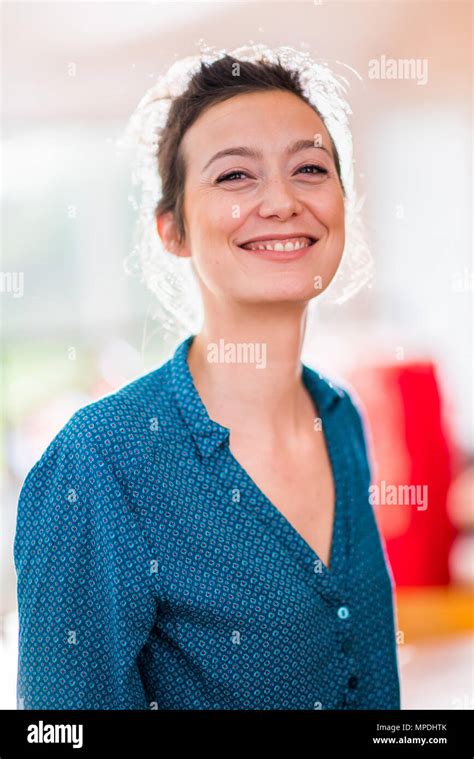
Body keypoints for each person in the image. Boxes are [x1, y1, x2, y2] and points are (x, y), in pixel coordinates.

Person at [14, 50, 401, 710]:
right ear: (173, 230)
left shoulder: (342, 420)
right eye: (235, 176)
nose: (282, 200)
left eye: (310, 168)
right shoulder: (98, 464)